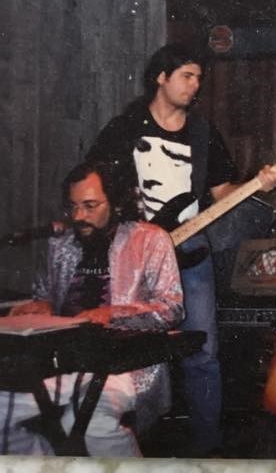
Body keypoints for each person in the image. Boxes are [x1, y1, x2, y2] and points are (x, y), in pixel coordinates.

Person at [86, 43, 276, 457]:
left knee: (202, 348)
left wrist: (255, 186)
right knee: (128, 347)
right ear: (162, 76)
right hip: (135, 250)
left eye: (198, 78)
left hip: (190, 248)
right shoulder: (125, 128)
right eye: (187, 76)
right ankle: (129, 442)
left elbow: (222, 191)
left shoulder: (202, 133)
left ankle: (206, 449)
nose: (195, 85)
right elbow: (95, 186)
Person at [2, 161, 183, 456]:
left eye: (90, 206)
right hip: (64, 361)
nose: (78, 216)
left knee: (88, 421)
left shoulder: (150, 240)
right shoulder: (61, 245)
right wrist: (38, 306)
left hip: (126, 365)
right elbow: (45, 294)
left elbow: (171, 310)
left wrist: (112, 313)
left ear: (116, 203)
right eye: (72, 207)